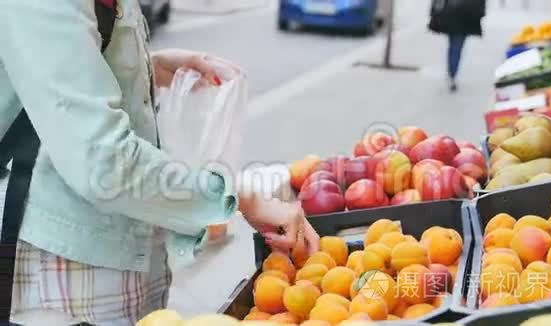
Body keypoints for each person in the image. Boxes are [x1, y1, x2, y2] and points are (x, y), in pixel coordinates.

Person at [0, 0, 319, 325]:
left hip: (129, 249)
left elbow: (59, 73)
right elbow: (104, 162)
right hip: (70, 267)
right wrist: (240, 197)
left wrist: (143, 69)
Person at [428, 0, 486, 92]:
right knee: (456, 47)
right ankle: (452, 73)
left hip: (451, 15)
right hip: (464, 16)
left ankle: (451, 72)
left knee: (453, 46)